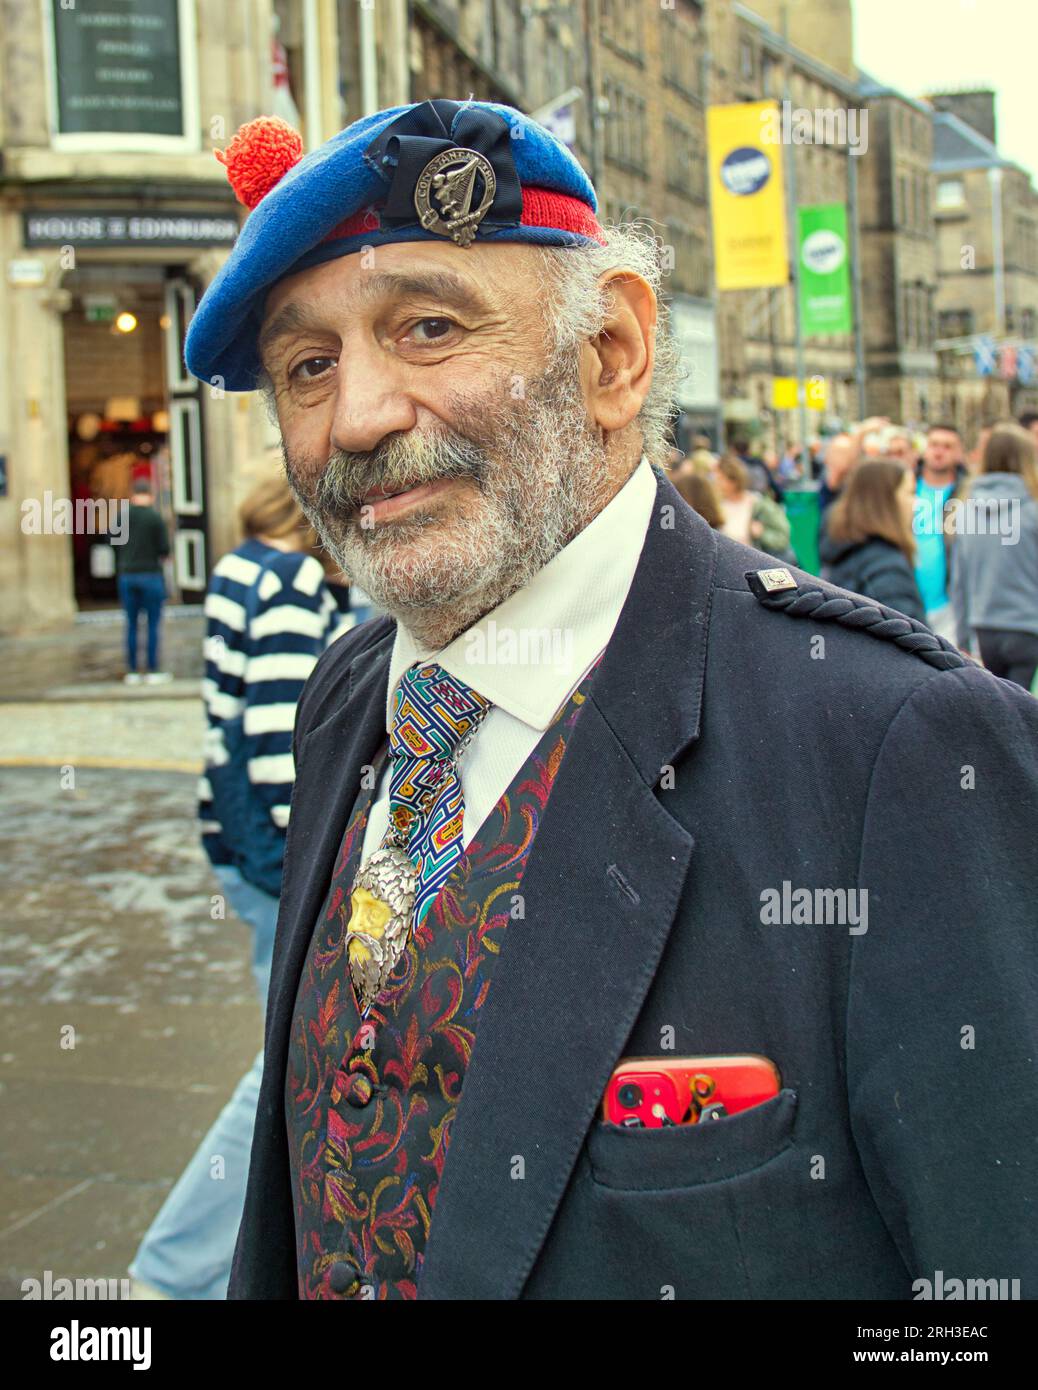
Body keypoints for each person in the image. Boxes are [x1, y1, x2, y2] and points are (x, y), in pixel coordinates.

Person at [184, 99, 1038, 1302]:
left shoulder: (898, 746)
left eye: (428, 325)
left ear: (612, 356)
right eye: (307, 366)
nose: (357, 417)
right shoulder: (344, 701)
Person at [128, 475, 354, 1300]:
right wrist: (316, 853)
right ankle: (175, 1269)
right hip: (275, 854)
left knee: (288, 1051)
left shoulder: (235, 569)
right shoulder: (291, 582)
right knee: (285, 1063)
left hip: (231, 843)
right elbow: (279, 736)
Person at [950, 422, 1038, 689]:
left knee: (1001, 709)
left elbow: (959, 580)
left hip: (984, 627)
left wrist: (962, 636)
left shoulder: (965, 511)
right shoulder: (1032, 511)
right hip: (1027, 626)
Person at [819, 460, 926, 623]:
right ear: (886, 500)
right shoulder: (885, 565)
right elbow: (907, 639)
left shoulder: (845, 550)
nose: (916, 502)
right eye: (910, 492)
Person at [912, 423, 968, 641]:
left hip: (949, 607)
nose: (939, 451)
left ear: (959, 453)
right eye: (934, 444)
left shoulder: (968, 493)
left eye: (947, 446)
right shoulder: (904, 487)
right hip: (905, 600)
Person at [116, 478, 171, 684]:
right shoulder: (155, 518)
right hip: (150, 574)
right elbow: (164, 549)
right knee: (153, 624)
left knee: (131, 624)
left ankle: (131, 671)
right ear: (150, 494)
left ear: (133, 494)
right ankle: (152, 670)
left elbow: (113, 544)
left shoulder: (122, 516)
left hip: (127, 575)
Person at [714, 454, 793, 560]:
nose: (716, 483)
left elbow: (783, 537)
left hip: (752, 566)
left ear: (734, 480)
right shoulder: (716, 505)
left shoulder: (759, 504)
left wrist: (762, 534)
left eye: (720, 479)